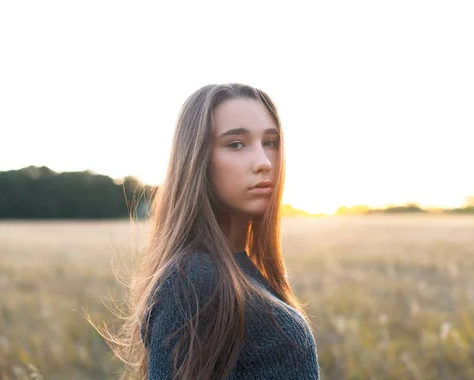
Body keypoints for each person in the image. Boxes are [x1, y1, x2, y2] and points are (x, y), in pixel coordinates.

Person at [96, 84, 320, 379]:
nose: (264, 163)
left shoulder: (237, 267)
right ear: (197, 160)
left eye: (271, 142)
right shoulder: (193, 281)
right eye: (236, 144)